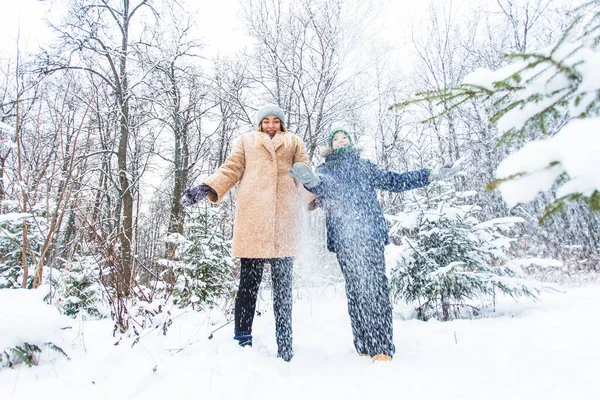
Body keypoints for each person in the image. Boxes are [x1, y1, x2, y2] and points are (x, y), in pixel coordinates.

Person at [289, 127, 462, 361]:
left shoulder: (364, 166)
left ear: (351, 142)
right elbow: (325, 184)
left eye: (345, 137)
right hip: (344, 239)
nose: (341, 141)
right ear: (330, 145)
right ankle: (362, 344)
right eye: (336, 139)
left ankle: (381, 347)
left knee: (376, 289)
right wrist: (312, 181)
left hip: (370, 235)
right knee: (356, 290)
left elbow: (395, 181)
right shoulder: (325, 168)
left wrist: (430, 174)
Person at [181, 104, 313, 362]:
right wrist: (206, 188)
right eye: (266, 121)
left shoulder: (294, 143)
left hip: (284, 222)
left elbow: (305, 174)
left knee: (283, 289)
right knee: (248, 285)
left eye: (276, 121)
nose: (271, 125)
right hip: (254, 221)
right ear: (260, 124)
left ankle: (285, 342)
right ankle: (242, 339)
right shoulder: (246, 142)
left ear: (282, 124)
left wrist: (317, 198)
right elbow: (231, 169)